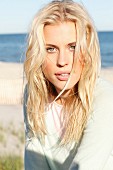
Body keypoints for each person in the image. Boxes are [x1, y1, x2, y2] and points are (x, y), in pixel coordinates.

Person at [23, 0, 113, 169]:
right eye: (51, 49)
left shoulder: (104, 98)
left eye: (72, 47)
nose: (62, 61)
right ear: (39, 53)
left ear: (87, 50)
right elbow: (34, 160)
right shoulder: (33, 93)